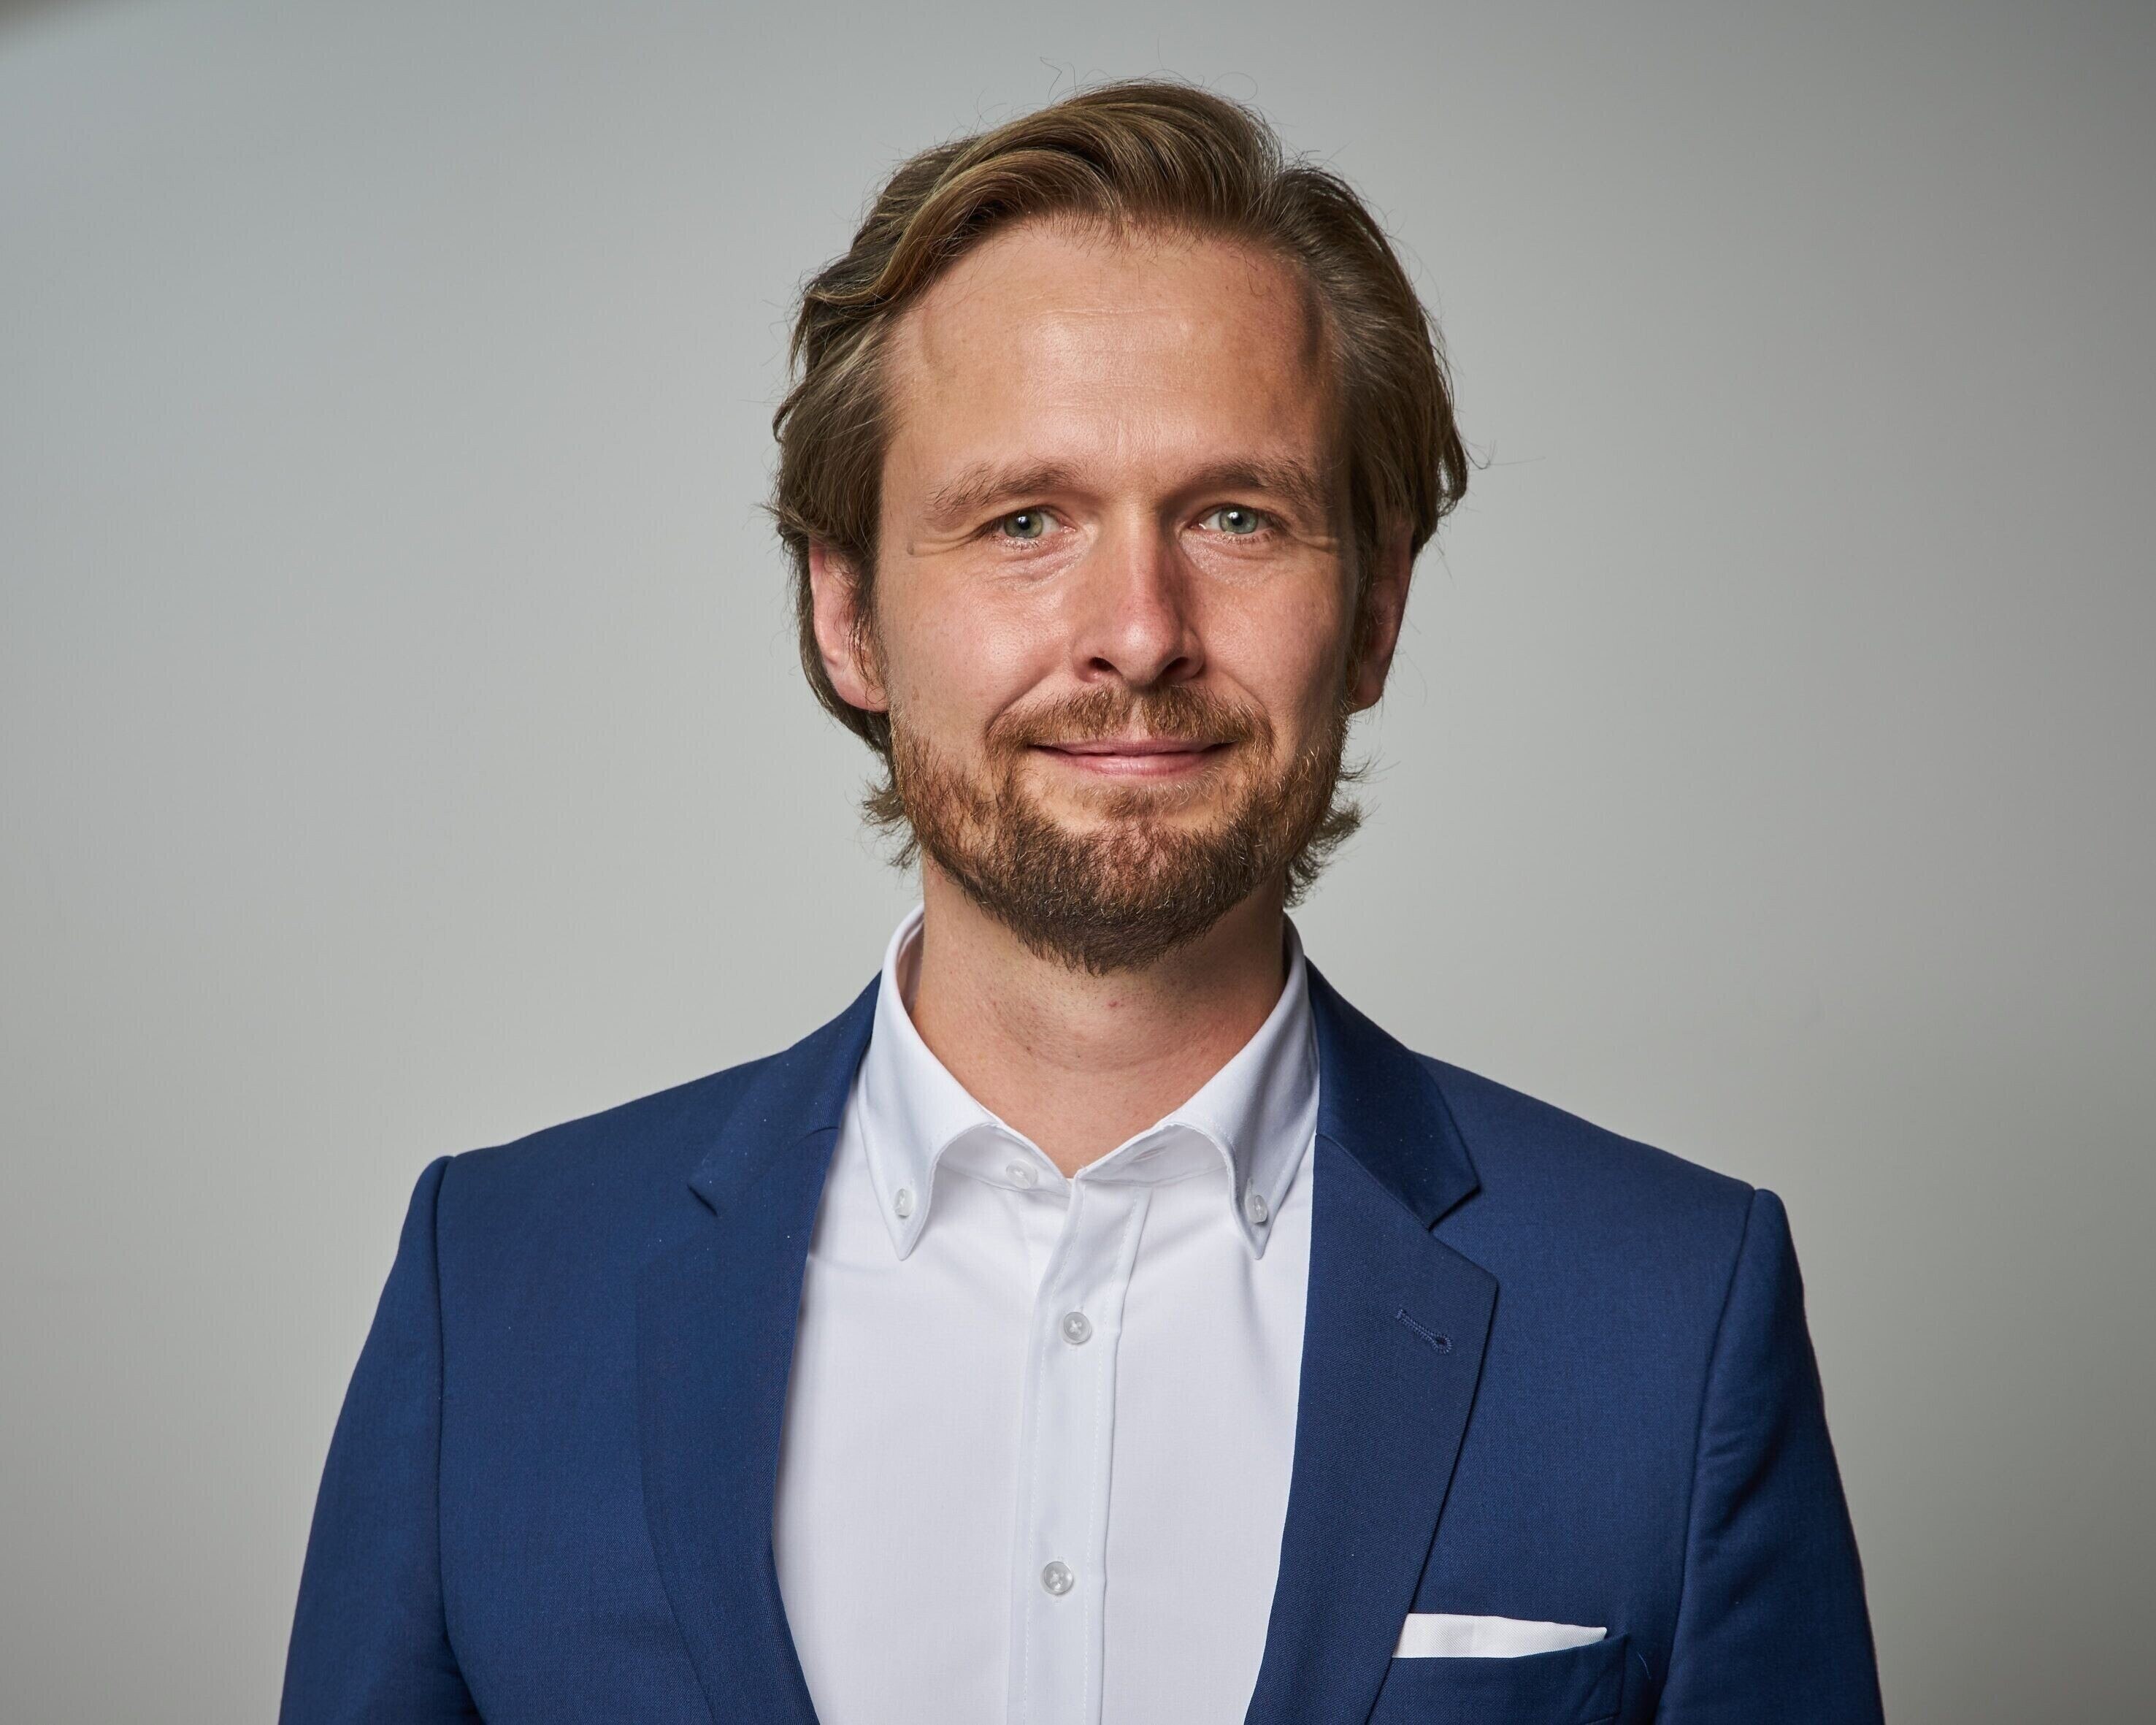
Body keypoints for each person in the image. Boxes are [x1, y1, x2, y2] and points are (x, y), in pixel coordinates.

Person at [279, 79, 1883, 1725]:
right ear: (846, 612)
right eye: (1024, 520)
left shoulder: (1671, 1314)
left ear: (1376, 608)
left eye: (1236, 516)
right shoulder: (498, 1288)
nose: (1137, 629)